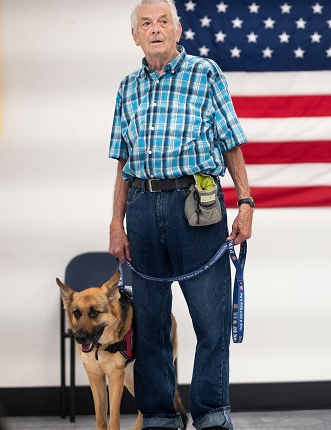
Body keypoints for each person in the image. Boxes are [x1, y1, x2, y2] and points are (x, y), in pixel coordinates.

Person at [108, 0, 254, 428]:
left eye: (163, 22)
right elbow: (122, 161)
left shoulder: (205, 73)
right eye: (146, 24)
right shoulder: (126, 88)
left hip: (198, 204)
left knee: (211, 320)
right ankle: (158, 416)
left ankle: (212, 414)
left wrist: (246, 202)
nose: (155, 29)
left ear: (178, 29)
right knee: (150, 322)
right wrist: (116, 222)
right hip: (141, 205)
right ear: (135, 35)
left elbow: (231, 143)